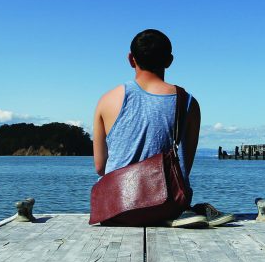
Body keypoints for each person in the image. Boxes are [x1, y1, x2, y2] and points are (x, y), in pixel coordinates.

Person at [93, 29, 233, 227]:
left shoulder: (107, 100)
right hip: (166, 205)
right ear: (169, 61)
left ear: (131, 59)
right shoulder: (188, 102)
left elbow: (100, 168)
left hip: (114, 209)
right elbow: (184, 167)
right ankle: (183, 214)